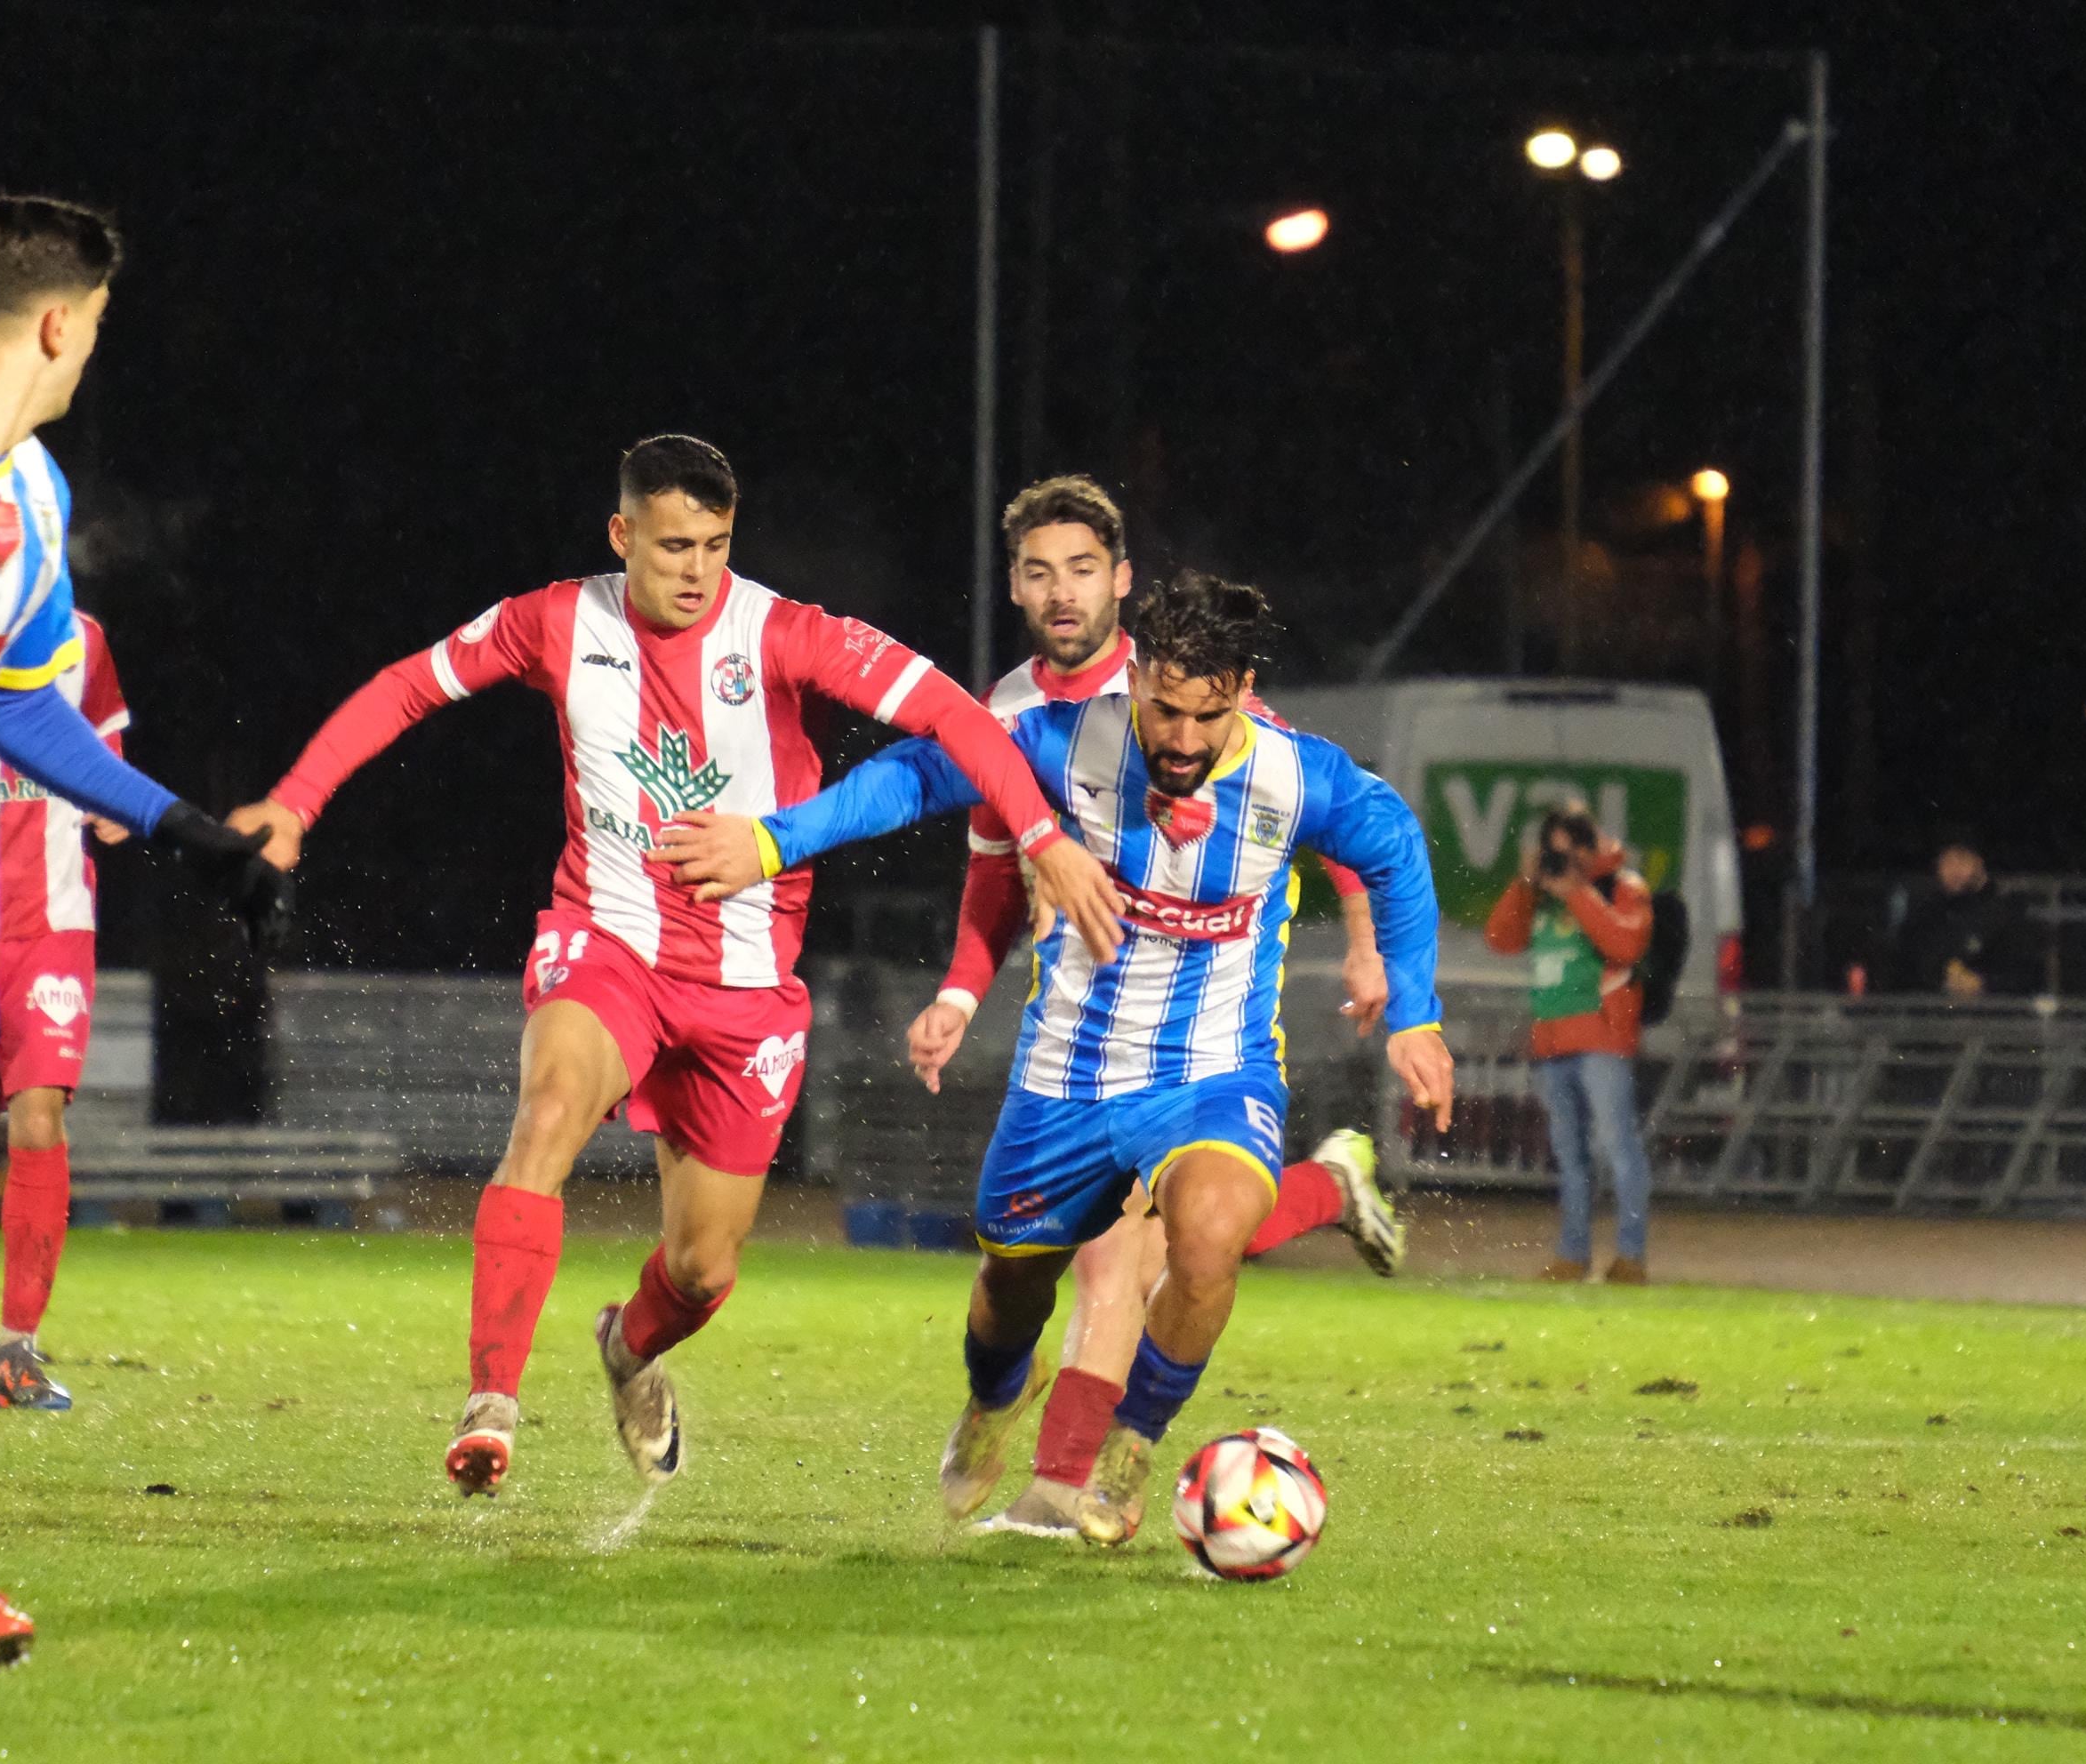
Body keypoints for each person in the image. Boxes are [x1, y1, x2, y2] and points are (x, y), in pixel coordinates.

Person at [226, 436, 1122, 1500]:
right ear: (621, 535)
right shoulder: (554, 621)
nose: (696, 569)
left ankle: (629, 1347)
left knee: (702, 1271)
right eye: (672, 545)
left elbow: (953, 716)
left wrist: (1041, 834)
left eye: (715, 544)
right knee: (549, 1107)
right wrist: (297, 798)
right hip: (607, 941)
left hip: (746, 987)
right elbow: (405, 688)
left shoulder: (787, 634)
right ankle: (491, 1402)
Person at [666, 571, 1454, 1547]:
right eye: (1163, 709)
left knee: (1208, 1238)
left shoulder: (1301, 777)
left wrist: (1417, 1010)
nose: (1180, 739)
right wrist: (774, 842)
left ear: (1243, 692)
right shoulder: (1065, 739)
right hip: (1067, 1078)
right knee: (1010, 1290)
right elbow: (919, 772)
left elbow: (1396, 850)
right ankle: (996, 1398)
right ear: (1139, 679)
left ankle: (1128, 1453)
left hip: (1215, 1068)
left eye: (1206, 718)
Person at [0, 196, 290, 1681]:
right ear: (54, 322)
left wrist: (182, 828)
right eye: (95, 327)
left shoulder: (30, 486)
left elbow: (27, 703)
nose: (92, 350)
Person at [903, 476, 1406, 1539]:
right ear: (1015, 586)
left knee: (1135, 1263)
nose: (1061, 591)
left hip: (1192, 1046)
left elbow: (1328, 819)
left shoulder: (1211, 699)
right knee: (1070, 1266)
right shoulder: (1009, 717)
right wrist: (959, 989)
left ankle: (1074, 1483)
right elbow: (995, 869)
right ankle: (1326, 1182)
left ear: (1121, 585)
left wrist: (1369, 948)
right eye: (1039, 571)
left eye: (1082, 568)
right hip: (1076, 1034)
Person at [0, 610, 131, 1411]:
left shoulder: (83, 639)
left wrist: (117, 803)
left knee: (38, 1116)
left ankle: (20, 1349)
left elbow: (107, 753)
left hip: (52, 924)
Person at [1482, 800, 1654, 1285]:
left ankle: (1630, 1257)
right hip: (1554, 1039)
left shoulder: (1623, 886)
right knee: (1570, 1155)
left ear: (1591, 846)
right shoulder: (1542, 894)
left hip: (1603, 1038)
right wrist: (1525, 883)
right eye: (1552, 854)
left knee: (1618, 1147)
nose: (1562, 864)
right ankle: (1573, 1254)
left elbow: (1626, 945)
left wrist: (1576, 891)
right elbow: (1501, 937)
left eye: (1569, 853)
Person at [1888, 831, 2034, 998]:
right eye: (1946, 861)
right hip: (1931, 1016)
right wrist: (1940, 978)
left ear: (1979, 862)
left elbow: (2026, 975)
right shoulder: (1925, 914)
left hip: (1992, 1016)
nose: (1954, 870)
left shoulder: (2005, 913)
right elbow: (1906, 971)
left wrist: (1983, 983)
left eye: (1962, 859)